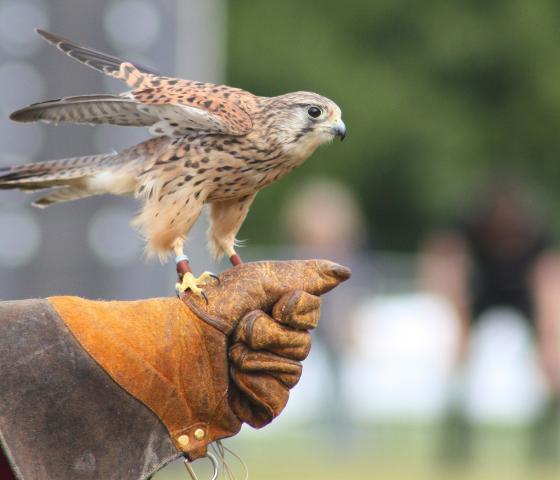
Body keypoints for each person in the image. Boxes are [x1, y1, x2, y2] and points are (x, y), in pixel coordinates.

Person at [418, 176, 560, 463]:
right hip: (481, 292)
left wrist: (548, 336)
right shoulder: (471, 226)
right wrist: (458, 317)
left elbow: (547, 277)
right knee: (458, 365)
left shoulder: (534, 232)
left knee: (553, 364)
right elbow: (446, 256)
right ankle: (456, 439)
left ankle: (544, 439)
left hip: (524, 294)